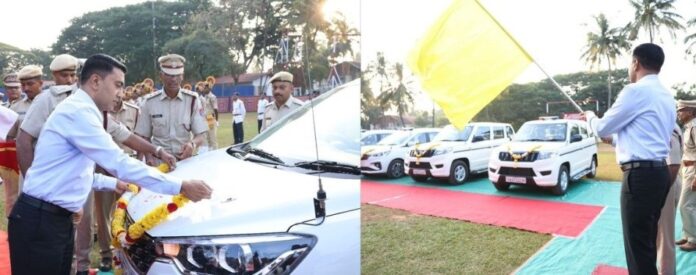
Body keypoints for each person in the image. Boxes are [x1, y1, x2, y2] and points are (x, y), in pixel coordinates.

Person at [7, 53, 212, 275]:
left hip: (52, 220)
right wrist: (180, 186)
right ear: (95, 81)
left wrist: (113, 183)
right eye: (117, 85)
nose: (120, 93)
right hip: (42, 222)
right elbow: (119, 161)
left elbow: (74, 171)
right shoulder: (79, 113)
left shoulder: (86, 111)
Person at [584, 43, 675, 274]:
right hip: (658, 173)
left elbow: (603, 126)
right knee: (646, 241)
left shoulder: (634, 91)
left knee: (638, 249)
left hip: (640, 177)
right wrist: (615, 141)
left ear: (635, 63)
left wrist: (591, 117)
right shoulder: (667, 96)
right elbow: (647, 137)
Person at [134, 54, 207, 164]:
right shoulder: (149, 102)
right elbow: (143, 136)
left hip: (185, 161)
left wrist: (192, 144)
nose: (173, 79)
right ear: (161, 76)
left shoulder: (192, 100)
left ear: (182, 76)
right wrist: (149, 157)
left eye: (177, 75)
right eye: (169, 75)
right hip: (159, 163)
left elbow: (200, 135)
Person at [656, 123, 682, 275]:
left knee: (664, 235)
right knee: (660, 234)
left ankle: (666, 272)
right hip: (667, 180)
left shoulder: (667, 127)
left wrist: (661, 192)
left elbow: (673, 164)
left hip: (667, 181)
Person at [677, 100, 696, 252]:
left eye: (681, 110)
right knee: (689, 205)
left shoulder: (695, 127)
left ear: (690, 111)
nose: (678, 113)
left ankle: (693, 239)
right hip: (687, 169)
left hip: (693, 171)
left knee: (685, 205)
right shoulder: (688, 128)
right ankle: (687, 234)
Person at [7, 65, 43, 140]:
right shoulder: (15, 107)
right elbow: (9, 137)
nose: (26, 88)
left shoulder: (52, 103)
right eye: (23, 85)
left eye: (30, 84)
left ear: (40, 83)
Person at [199, 79, 218, 151]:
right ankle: (210, 153)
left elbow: (215, 109)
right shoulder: (205, 97)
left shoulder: (212, 97)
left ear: (209, 88)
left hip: (210, 118)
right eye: (204, 87)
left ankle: (215, 153)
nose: (204, 89)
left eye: (205, 87)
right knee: (207, 138)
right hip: (205, 118)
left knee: (212, 137)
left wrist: (216, 120)